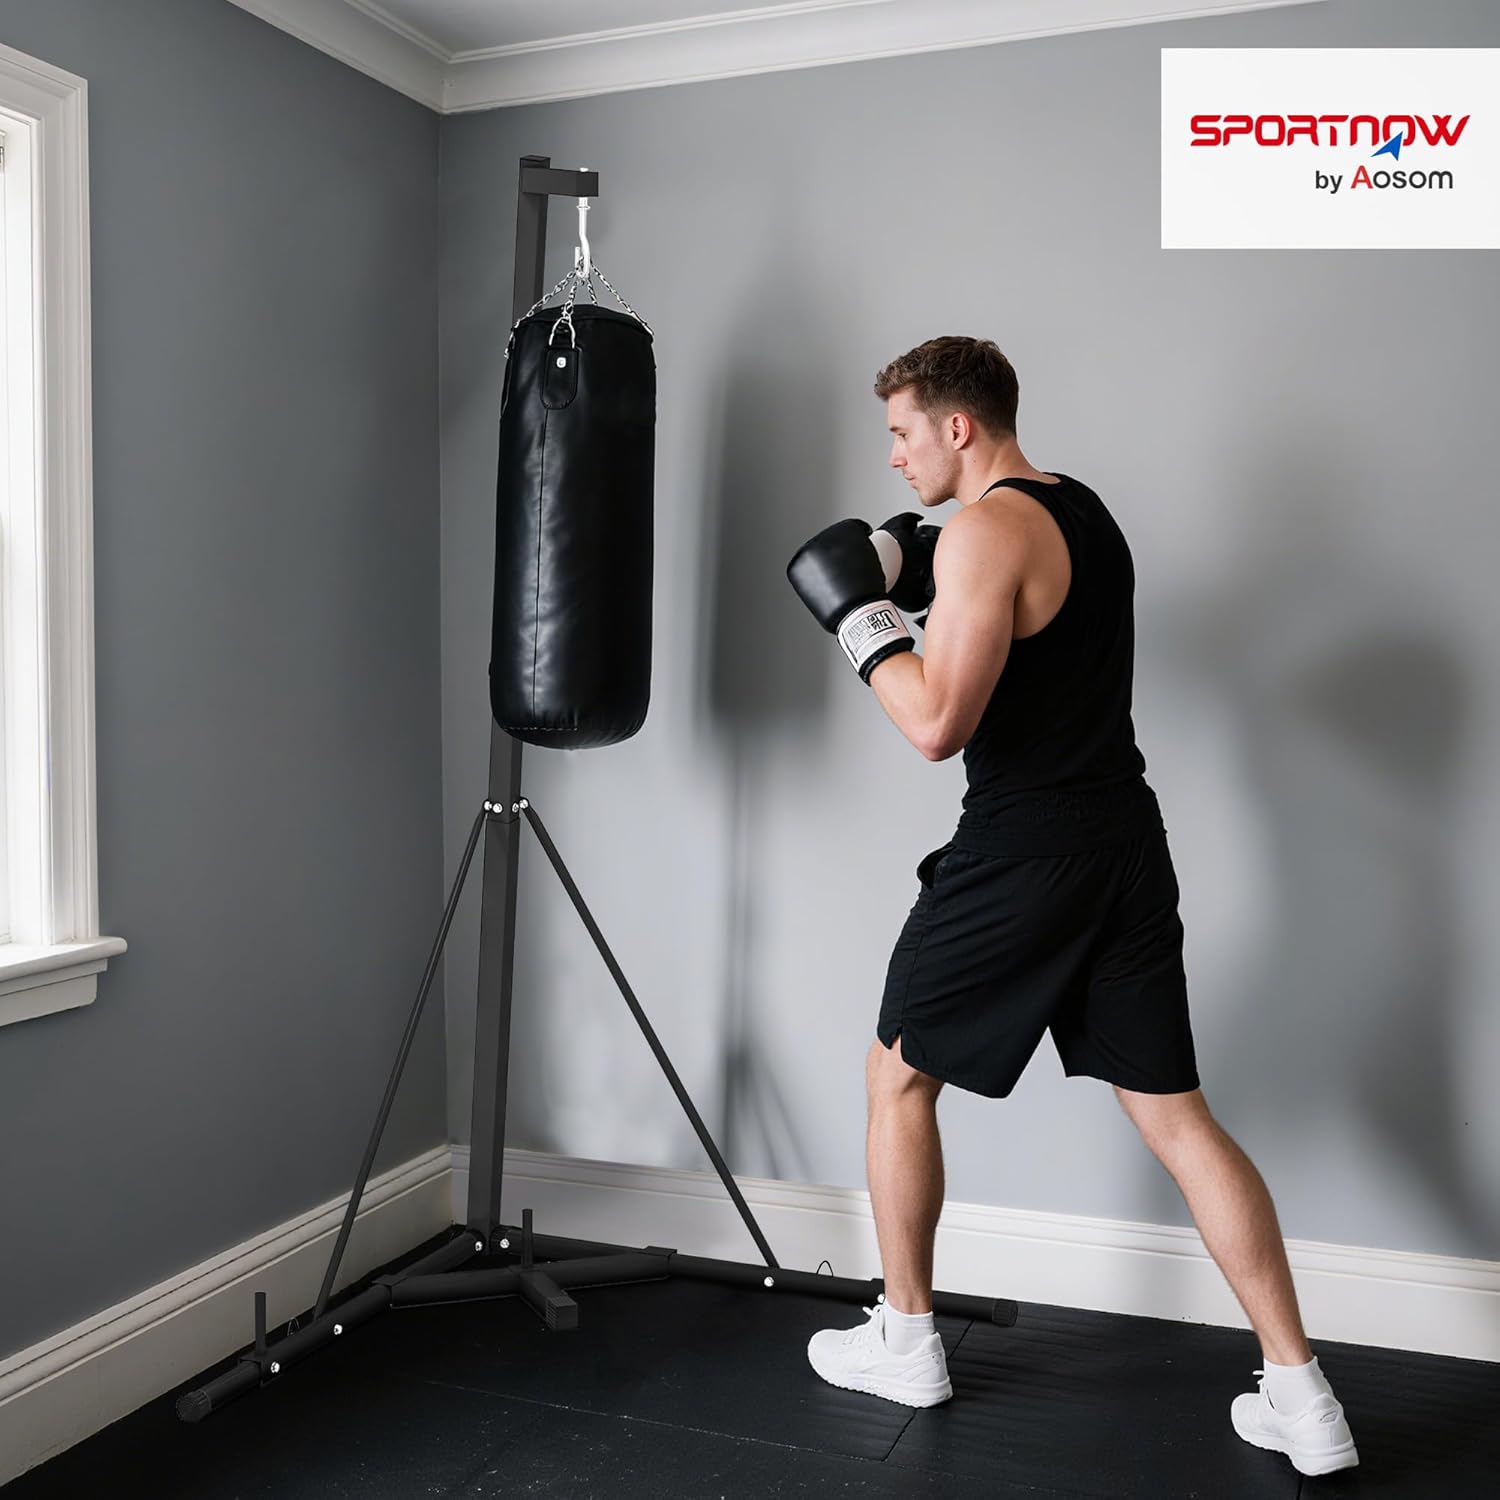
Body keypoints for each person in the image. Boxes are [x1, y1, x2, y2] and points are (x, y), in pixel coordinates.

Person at [785, 336, 1359, 1479]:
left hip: (1027, 846)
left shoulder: (989, 535)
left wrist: (854, 618)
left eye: (903, 432)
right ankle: (1305, 1399)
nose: (891, 455)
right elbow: (962, 572)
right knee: (1178, 1116)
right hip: (1123, 843)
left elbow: (936, 722)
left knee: (896, 1073)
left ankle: (906, 1341)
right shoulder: (1077, 513)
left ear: (959, 427)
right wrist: (897, 558)